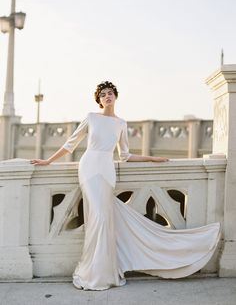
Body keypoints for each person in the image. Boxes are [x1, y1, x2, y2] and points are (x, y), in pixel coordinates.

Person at [30, 81, 221, 291]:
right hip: (89, 168)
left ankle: (103, 271)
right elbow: (70, 144)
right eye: (103, 94)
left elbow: (125, 155)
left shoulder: (121, 123)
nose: (107, 96)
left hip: (106, 171)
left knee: (103, 220)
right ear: (98, 100)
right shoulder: (91, 118)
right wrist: (48, 161)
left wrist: (151, 158)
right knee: (99, 219)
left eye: (110, 93)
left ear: (115, 96)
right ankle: (92, 272)